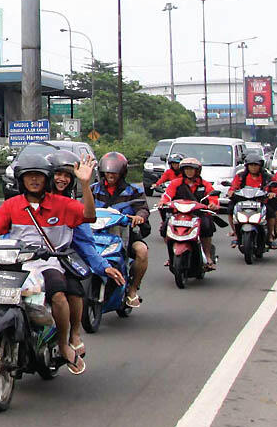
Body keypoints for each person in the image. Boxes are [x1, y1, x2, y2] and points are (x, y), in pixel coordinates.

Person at [0, 154, 97, 374]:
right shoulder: (11, 205)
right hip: (15, 264)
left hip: (48, 263)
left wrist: (85, 184)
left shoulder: (63, 204)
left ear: (47, 179)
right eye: (29, 176)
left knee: (59, 297)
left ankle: (63, 344)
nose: (34, 180)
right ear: (21, 180)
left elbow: (89, 215)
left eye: (39, 176)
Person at [48, 150, 125, 360]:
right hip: (29, 258)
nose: (61, 179)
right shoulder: (25, 201)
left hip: (60, 258)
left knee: (73, 291)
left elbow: (85, 240)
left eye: (67, 176)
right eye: (58, 174)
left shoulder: (73, 206)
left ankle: (73, 335)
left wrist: (104, 267)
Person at [90, 152, 150, 308]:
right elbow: (81, 207)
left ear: (122, 173)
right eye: (108, 171)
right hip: (95, 235)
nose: (111, 175)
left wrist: (139, 217)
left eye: (114, 172)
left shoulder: (133, 191)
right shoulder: (92, 190)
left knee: (142, 251)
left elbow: (142, 208)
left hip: (125, 234)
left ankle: (132, 290)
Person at [158, 157, 221, 270]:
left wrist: (213, 204)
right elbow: (167, 195)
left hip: (199, 214)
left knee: (207, 226)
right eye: (186, 169)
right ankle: (171, 255)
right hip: (178, 215)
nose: (189, 172)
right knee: (164, 228)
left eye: (192, 169)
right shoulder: (176, 183)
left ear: (197, 171)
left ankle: (207, 255)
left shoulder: (205, 184)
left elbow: (213, 197)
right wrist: (163, 202)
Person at [228, 153, 277, 249]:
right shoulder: (240, 176)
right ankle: (236, 234)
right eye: (251, 165)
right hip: (243, 202)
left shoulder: (268, 177)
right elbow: (233, 187)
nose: (253, 167)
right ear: (247, 166)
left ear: (260, 166)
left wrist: (273, 194)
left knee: (271, 211)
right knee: (230, 208)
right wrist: (231, 192)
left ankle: (270, 236)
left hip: (261, 202)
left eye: (256, 165)